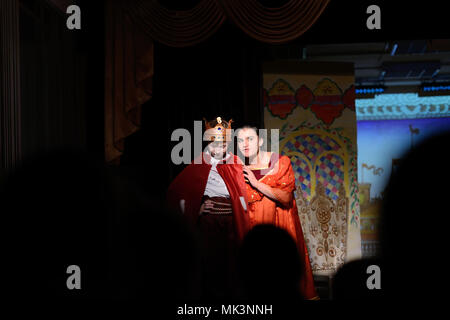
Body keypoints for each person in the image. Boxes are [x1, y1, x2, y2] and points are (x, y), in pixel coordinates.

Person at [167, 117, 250, 299]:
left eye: (222, 144)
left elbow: (242, 192)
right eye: (214, 144)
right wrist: (198, 208)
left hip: (231, 221)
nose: (218, 148)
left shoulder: (236, 162)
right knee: (210, 266)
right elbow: (178, 191)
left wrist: (244, 212)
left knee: (231, 268)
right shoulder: (200, 163)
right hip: (208, 222)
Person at [236, 125, 318, 300]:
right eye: (241, 140)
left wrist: (256, 184)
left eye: (250, 139)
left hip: (277, 225)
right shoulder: (238, 167)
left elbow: (285, 197)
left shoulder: (279, 163)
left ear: (261, 141)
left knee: (279, 274)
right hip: (251, 228)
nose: (245, 144)